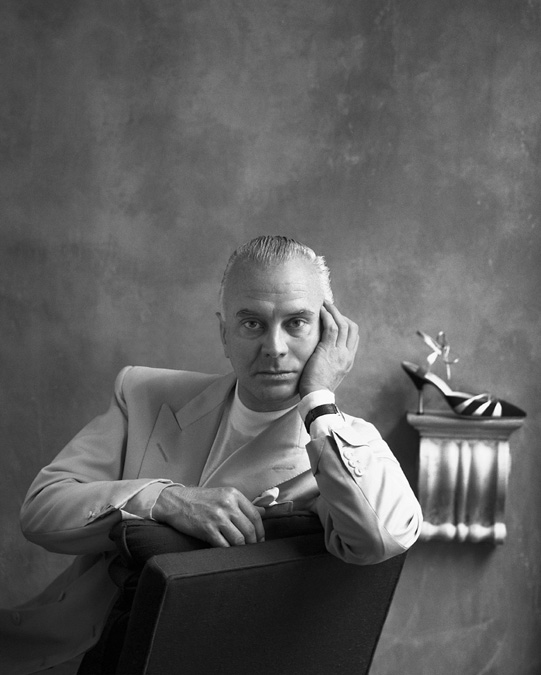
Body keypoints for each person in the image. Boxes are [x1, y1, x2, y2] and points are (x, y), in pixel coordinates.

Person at [0, 235, 422, 674]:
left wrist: (319, 400)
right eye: (252, 324)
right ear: (224, 333)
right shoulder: (143, 393)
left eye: (296, 323)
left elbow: (382, 538)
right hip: (69, 653)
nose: (274, 347)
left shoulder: (339, 447)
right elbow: (40, 509)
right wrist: (163, 500)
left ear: (328, 331)